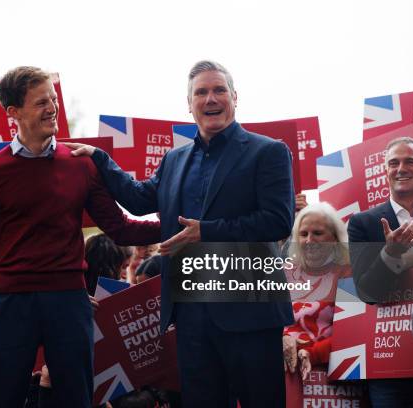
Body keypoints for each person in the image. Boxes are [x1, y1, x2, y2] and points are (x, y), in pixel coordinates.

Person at [68, 60, 295, 407]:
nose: (210, 98)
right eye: (201, 92)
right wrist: (101, 159)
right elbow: (139, 199)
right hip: (191, 315)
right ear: (188, 104)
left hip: (251, 311)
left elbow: (278, 220)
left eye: (219, 90)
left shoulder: (269, 151)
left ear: (234, 97)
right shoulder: (174, 160)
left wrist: (206, 232)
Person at [0, 66, 160, 408]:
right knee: (2, 398)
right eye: (41, 102)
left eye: (53, 99)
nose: (52, 108)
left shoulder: (80, 164)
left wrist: (177, 226)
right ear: (13, 112)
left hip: (68, 301)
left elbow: (120, 227)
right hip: (10, 303)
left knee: (76, 399)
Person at [347, 136, 413, 407]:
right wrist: (391, 253)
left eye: (410, 161)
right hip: (392, 365)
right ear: (385, 171)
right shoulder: (363, 223)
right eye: (393, 163)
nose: (401, 168)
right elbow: (367, 292)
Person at [282, 203, 351, 380]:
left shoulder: (347, 274)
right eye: (303, 234)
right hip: (280, 371)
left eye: (318, 233)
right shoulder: (282, 272)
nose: (309, 240)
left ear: (335, 238)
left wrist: (311, 353)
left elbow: (353, 334)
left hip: (329, 375)